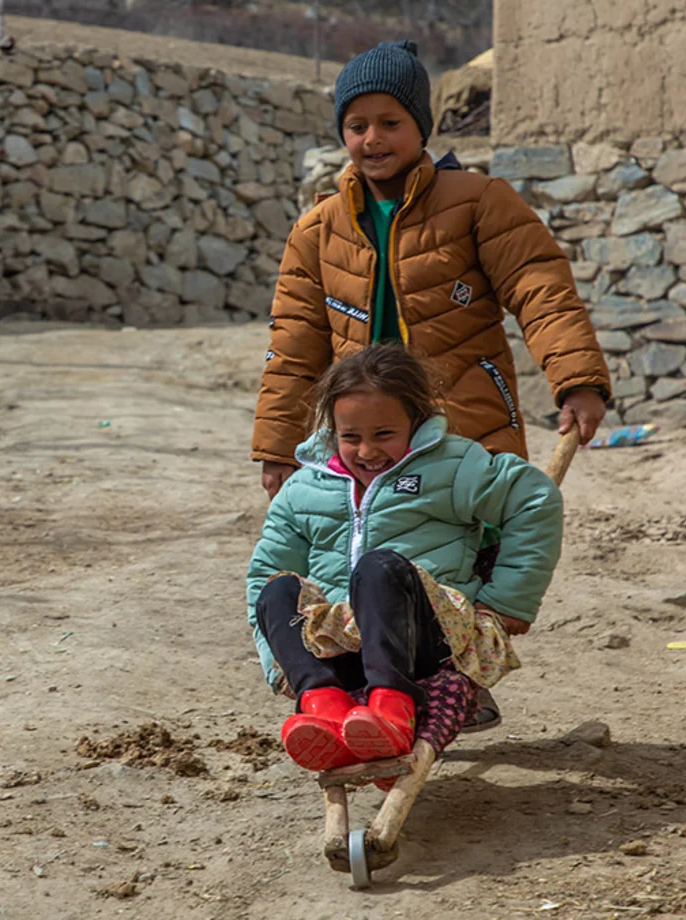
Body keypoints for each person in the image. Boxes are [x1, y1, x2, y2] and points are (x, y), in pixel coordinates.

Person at [252, 39, 610, 729]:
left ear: (421, 127)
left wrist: (576, 380)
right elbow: (293, 348)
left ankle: (456, 676)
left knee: (460, 555)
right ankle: (363, 682)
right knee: (362, 552)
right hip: (361, 431)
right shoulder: (318, 230)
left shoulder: (477, 202)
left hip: (464, 422)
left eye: (390, 122)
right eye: (357, 125)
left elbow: (540, 289)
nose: (372, 138)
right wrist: (276, 446)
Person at [246, 346, 562, 774]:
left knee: (378, 569)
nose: (367, 451)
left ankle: (394, 711)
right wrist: (280, 662)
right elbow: (265, 571)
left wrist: (508, 601)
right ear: (332, 430)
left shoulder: (451, 466)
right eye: (351, 436)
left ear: (415, 421)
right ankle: (325, 707)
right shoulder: (305, 489)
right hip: (344, 650)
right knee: (276, 590)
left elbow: (534, 500)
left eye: (384, 434)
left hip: (425, 642)